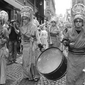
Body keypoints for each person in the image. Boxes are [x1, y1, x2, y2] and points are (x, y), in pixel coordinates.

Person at [62, 3, 85, 85]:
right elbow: (64, 40)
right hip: (72, 57)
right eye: (76, 21)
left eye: (80, 21)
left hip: (82, 58)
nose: (78, 23)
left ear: (82, 22)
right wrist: (67, 43)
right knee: (71, 75)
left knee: (81, 76)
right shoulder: (69, 31)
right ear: (74, 22)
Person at [20, 6, 40, 81]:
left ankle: (35, 75)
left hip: (32, 46)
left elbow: (37, 36)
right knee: (26, 61)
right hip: (25, 46)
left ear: (29, 18)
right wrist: (21, 45)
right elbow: (22, 38)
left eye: (26, 18)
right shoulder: (22, 27)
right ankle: (27, 75)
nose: (24, 20)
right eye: (23, 18)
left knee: (33, 61)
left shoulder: (34, 27)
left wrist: (38, 44)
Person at [0, 10, 9, 85]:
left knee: (2, 65)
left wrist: (3, 40)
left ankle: (2, 79)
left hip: (1, 48)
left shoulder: (4, 29)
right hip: (1, 48)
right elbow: (7, 39)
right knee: (2, 65)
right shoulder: (4, 29)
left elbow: (6, 39)